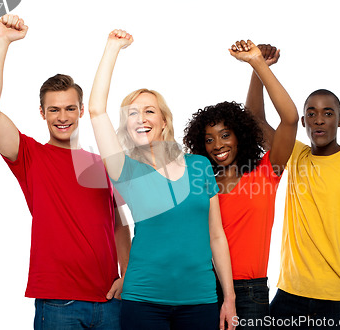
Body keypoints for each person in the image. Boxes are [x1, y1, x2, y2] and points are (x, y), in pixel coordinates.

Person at [0, 15, 131, 330]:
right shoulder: (30, 155)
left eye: (70, 108)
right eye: (54, 109)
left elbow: (118, 224)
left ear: (81, 110)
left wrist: (126, 277)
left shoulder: (100, 163)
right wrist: (1, 42)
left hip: (111, 299)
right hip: (60, 304)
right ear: (42, 113)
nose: (63, 117)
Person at [88, 29, 237, 330]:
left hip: (200, 300)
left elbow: (216, 235)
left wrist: (229, 298)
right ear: (127, 126)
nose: (140, 118)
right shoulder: (126, 170)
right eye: (132, 113)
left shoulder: (199, 166)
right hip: (143, 301)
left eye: (149, 111)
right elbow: (95, 110)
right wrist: (113, 48)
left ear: (164, 121)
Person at [246, 84, 340, 329]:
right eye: (311, 114)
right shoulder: (295, 155)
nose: (319, 120)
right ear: (303, 121)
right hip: (289, 294)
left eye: (328, 113)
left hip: (338, 300)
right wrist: (257, 68)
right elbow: (254, 120)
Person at [183, 42, 298, 329]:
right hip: (202, 289)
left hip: (250, 292)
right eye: (209, 139)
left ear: (241, 136)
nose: (218, 145)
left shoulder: (266, 172)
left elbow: (289, 118)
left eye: (225, 135)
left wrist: (257, 66)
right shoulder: (200, 181)